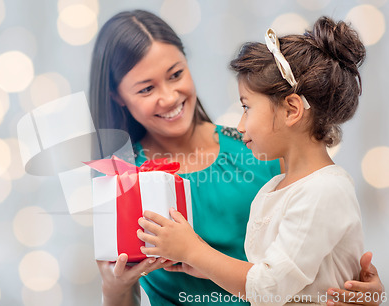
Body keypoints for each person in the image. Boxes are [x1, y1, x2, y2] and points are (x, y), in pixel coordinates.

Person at [89, 10, 385, 306]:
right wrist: (113, 289)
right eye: (146, 88)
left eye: (175, 74)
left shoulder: (263, 147)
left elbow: (322, 248)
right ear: (118, 96)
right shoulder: (123, 181)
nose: (168, 97)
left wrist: (367, 292)